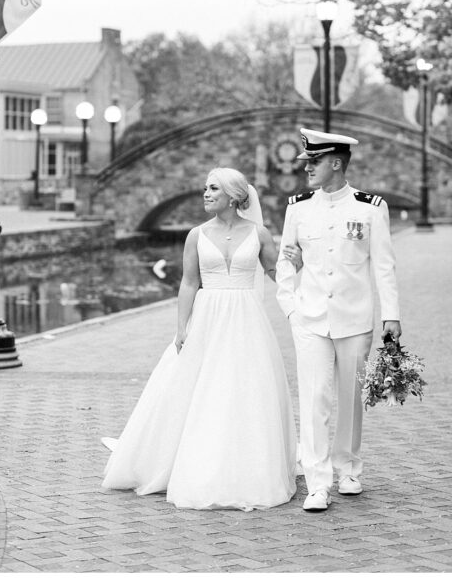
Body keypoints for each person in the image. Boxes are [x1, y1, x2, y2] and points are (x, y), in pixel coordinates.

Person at [102, 167, 297, 510]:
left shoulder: (259, 234)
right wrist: (182, 327)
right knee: (196, 388)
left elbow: (273, 273)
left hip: (246, 320)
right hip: (207, 318)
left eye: (213, 189)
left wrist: (300, 265)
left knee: (241, 390)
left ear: (234, 197)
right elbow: (189, 282)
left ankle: (242, 466)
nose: (205, 194)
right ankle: (186, 460)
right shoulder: (196, 235)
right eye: (205, 188)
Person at [276, 128, 401, 512]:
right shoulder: (297, 207)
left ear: (335, 163)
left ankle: (348, 468)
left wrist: (391, 318)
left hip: (354, 318)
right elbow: (285, 258)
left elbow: (383, 266)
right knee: (314, 400)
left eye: (313, 162)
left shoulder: (369, 207)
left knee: (350, 398)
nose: (307, 169)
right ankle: (317, 482)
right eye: (306, 162)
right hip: (310, 318)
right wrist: (290, 306)